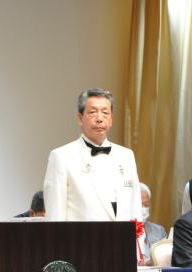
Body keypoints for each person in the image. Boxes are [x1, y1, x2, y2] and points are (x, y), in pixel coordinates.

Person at [43, 88, 143, 223]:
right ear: (80, 118)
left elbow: (135, 209)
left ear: (111, 119)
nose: (99, 119)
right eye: (93, 112)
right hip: (82, 236)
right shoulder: (62, 157)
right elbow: (55, 218)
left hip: (122, 236)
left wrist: (138, 237)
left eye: (105, 113)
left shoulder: (126, 156)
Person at [139, 182, 167, 263]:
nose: (143, 209)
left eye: (146, 205)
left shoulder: (159, 230)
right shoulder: (121, 232)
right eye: (140, 205)